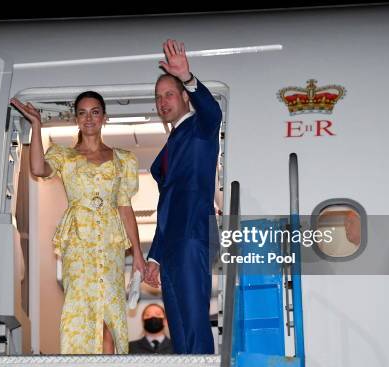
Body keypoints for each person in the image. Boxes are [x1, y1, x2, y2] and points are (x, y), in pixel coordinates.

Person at [10, 92, 146, 354]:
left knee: (110, 314)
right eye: (83, 112)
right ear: (76, 119)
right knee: (82, 310)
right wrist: (37, 125)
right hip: (79, 243)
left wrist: (138, 254)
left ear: (104, 117)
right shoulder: (64, 155)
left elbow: (125, 207)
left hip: (110, 244)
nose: (89, 118)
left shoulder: (123, 159)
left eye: (95, 112)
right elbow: (38, 169)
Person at [143, 39, 222, 354]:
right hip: (172, 245)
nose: (163, 102)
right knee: (178, 328)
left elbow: (213, 112)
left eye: (170, 94)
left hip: (191, 237)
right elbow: (166, 206)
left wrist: (189, 77)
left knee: (194, 323)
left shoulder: (199, 130)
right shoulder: (172, 142)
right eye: (158, 97)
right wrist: (154, 256)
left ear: (185, 98)